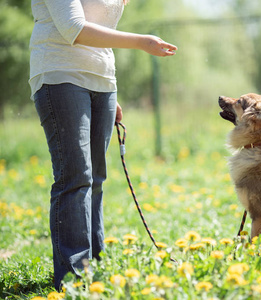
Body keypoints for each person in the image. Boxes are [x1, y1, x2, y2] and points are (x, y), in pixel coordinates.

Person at [29, 0, 177, 290]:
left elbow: (100, 34)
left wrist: (107, 89)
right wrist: (142, 42)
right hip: (60, 77)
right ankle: (73, 278)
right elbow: (75, 29)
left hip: (102, 85)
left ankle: (94, 266)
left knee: (95, 178)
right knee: (75, 178)